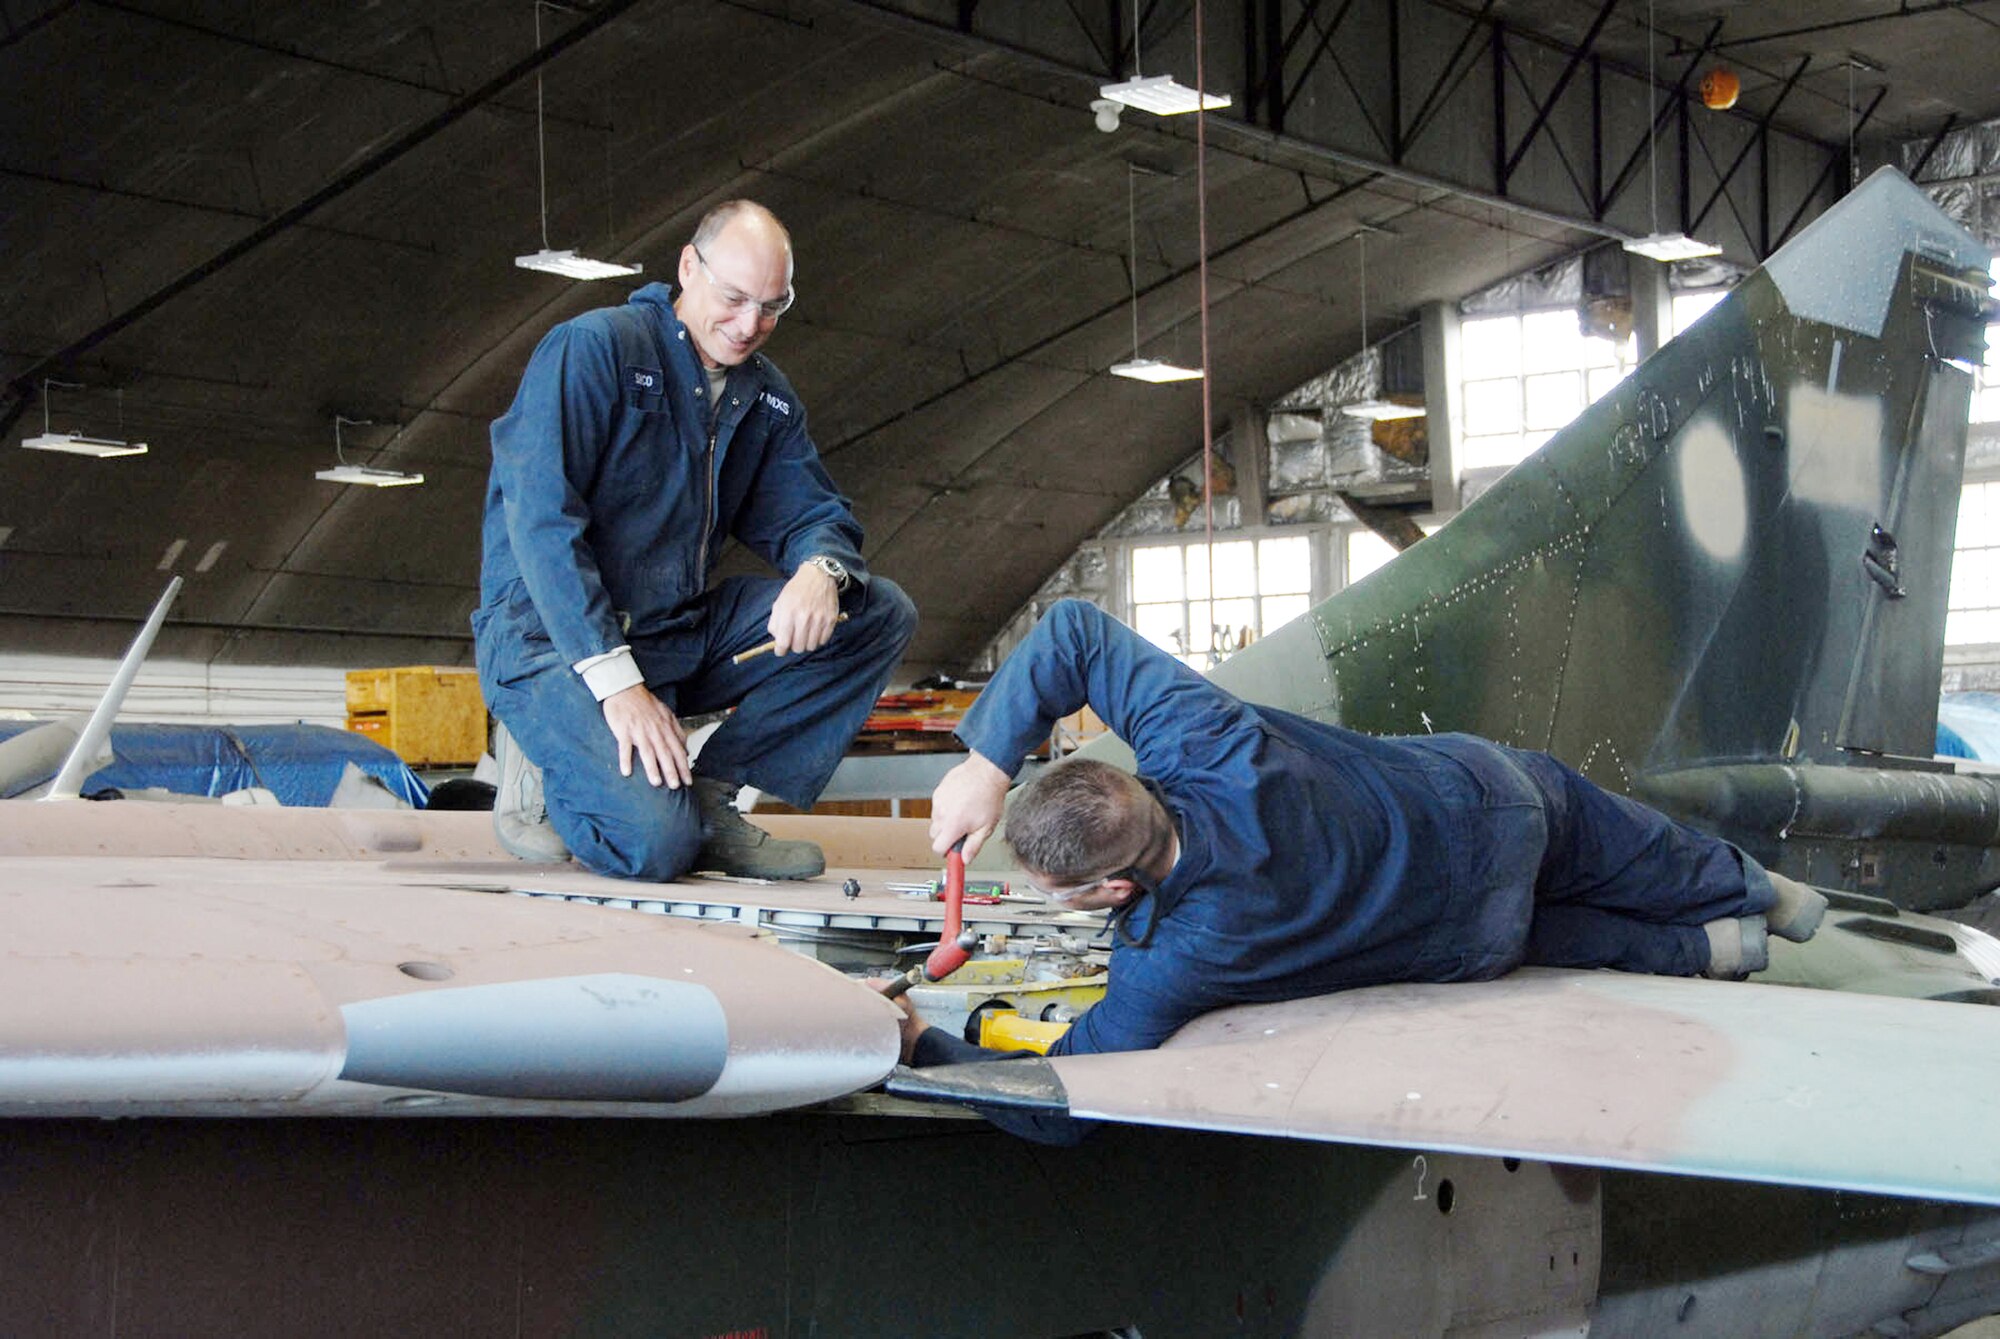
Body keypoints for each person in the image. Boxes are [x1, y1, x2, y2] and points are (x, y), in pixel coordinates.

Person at [893, 598, 1825, 1069]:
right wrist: (986, 763)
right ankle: (1757, 892)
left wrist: (918, 1044)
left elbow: (1073, 1088)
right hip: (1493, 802)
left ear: (1109, 890)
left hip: (1471, 937)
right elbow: (1074, 631)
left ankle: (1709, 948)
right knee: (1637, 850)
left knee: (1562, 942)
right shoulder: (1207, 740)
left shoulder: (1180, 957)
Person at [474, 200, 916, 881]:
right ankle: (540, 755)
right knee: (656, 844)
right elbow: (541, 526)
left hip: (672, 635)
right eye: (735, 298)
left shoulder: (764, 399)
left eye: (773, 306)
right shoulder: (595, 351)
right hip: (549, 642)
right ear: (688, 266)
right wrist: (617, 686)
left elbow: (813, 511)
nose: (749, 326)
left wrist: (822, 569)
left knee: (876, 611)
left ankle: (712, 796)